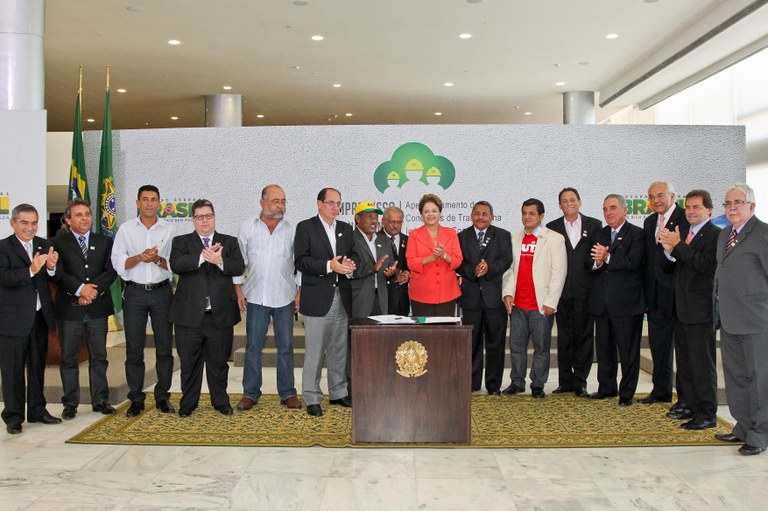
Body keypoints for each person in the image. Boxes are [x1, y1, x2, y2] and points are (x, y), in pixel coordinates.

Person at [169, 199, 244, 417]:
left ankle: (220, 401)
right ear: (193, 219)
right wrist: (203, 256)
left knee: (219, 364)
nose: (204, 221)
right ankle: (188, 403)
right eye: (200, 217)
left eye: (208, 216)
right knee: (189, 364)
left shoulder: (228, 242)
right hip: (189, 317)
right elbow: (177, 265)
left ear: (214, 217)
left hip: (219, 316)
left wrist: (220, 261)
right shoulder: (181, 242)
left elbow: (238, 266)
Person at [713, 183, 768, 455]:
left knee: (759, 381)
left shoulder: (764, 234)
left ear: (752, 206)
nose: (732, 208)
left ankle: (760, 435)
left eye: (738, 202)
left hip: (757, 322)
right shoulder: (724, 234)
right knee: (736, 378)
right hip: (730, 320)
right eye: (727, 203)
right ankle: (743, 427)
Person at [234, 184, 301, 411]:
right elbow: (237, 261)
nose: (280, 206)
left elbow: (299, 263)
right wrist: (238, 290)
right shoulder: (247, 227)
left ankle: (288, 393)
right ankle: (250, 393)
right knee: (253, 347)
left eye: (283, 201)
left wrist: (299, 291)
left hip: (285, 296)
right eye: (275, 201)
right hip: (255, 296)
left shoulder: (292, 229)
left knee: (286, 347)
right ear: (262, 202)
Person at [111, 185, 175, 417]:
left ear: (159, 203)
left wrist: (157, 259)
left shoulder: (169, 229)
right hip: (135, 293)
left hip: (162, 293)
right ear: (137, 202)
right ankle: (136, 398)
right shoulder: (126, 229)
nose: (149, 204)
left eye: (154, 199)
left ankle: (162, 396)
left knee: (165, 347)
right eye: (145, 199)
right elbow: (117, 262)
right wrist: (139, 257)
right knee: (134, 349)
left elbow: (174, 264)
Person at [51, 199, 118, 419]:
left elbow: (111, 271)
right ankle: (70, 403)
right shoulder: (58, 244)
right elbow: (58, 273)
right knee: (69, 358)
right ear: (68, 220)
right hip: (69, 310)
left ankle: (100, 400)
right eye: (78, 215)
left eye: (87, 214)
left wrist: (92, 291)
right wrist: (80, 289)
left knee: (99, 356)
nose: (85, 218)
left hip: (97, 309)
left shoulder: (105, 241)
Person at [658, 189, 720, 430]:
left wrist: (678, 247)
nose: (691, 212)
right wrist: (668, 250)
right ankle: (691, 406)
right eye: (689, 207)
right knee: (685, 363)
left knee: (702, 364)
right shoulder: (683, 234)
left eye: (697, 207)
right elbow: (669, 267)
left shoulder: (715, 235)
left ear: (710, 210)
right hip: (681, 309)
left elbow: (706, 266)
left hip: (700, 310)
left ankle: (706, 413)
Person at [294, 188, 356, 417]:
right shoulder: (305, 227)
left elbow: (354, 255)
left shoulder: (345, 229)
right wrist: (329, 266)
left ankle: (338, 392)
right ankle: (311, 396)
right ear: (319, 204)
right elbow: (301, 261)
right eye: (330, 203)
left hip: (343, 297)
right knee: (315, 352)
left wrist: (349, 265)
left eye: (338, 203)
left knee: (339, 350)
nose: (335, 208)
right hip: (318, 298)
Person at [0, 203, 61, 434]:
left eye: (34, 222)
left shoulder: (45, 245)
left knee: (37, 368)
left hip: (39, 317)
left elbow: (53, 277)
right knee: (12, 370)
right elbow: (4, 277)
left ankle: (37, 410)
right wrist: (31, 270)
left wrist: (52, 268)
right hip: (13, 320)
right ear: (13, 223)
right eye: (24, 222)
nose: (30, 227)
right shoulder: (3, 247)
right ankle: (13, 417)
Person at [501, 198, 566, 398]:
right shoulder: (514, 238)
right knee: (516, 347)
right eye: (524, 213)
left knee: (541, 347)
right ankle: (517, 382)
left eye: (531, 213)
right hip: (519, 304)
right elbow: (510, 270)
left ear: (541, 216)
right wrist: (508, 293)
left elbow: (559, 272)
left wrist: (551, 302)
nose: (527, 217)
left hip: (541, 305)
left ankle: (538, 384)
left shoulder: (555, 239)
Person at [588, 194, 646, 406]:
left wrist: (608, 257)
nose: (608, 213)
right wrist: (597, 262)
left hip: (627, 304)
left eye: (613, 208)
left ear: (624, 210)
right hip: (602, 302)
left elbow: (633, 262)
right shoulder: (600, 233)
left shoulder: (637, 234)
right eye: (605, 209)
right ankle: (606, 388)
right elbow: (591, 264)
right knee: (604, 349)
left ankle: (627, 393)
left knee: (628, 351)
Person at [546, 188, 602, 397]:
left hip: (585, 291)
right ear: (559, 205)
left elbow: (595, 256)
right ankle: (565, 381)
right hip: (561, 292)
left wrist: (596, 263)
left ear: (580, 202)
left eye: (572, 200)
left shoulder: (594, 225)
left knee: (584, 337)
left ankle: (581, 381)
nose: (568, 203)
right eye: (564, 201)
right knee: (564, 337)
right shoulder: (552, 227)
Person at [640, 180, 689, 408]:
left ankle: (685, 398)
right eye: (651, 197)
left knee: (683, 350)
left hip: (679, 295)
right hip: (655, 296)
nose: (656, 200)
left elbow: (685, 255)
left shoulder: (684, 217)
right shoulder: (649, 222)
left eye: (661, 195)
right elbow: (650, 260)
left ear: (672, 196)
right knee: (658, 346)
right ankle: (660, 391)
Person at [457, 201, 513, 395]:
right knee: (471, 343)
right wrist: (473, 271)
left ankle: (493, 385)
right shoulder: (461, 236)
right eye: (477, 213)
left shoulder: (503, 235)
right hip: (470, 298)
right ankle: (472, 383)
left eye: (485, 214)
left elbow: (506, 260)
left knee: (495, 343)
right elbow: (458, 263)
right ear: (471, 215)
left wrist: (489, 268)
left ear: (492, 216)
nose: (480, 217)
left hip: (494, 298)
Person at [406, 194, 463, 316]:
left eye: (434, 211)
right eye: (426, 211)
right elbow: (411, 263)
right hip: (421, 293)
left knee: (444, 332)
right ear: (421, 214)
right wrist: (431, 258)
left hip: (447, 292)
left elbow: (458, 260)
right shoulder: (414, 235)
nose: (430, 214)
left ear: (440, 213)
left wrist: (443, 256)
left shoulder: (451, 233)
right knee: (423, 334)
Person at [351, 201, 397, 317]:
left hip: (381, 300)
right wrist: (373, 268)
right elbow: (351, 270)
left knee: (380, 335)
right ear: (358, 218)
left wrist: (391, 273)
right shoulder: (350, 239)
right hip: (359, 300)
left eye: (376, 217)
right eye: (370, 216)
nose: (374, 220)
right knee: (359, 335)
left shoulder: (384, 240)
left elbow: (390, 267)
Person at [380, 206, 410, 316]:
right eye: (392, 222)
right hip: (383, 299)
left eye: (399, 222)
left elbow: (410, 265)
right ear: (383, 221)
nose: (396, 225)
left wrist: (407, 273)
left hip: (403, 299)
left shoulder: (408, 240)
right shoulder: (375, 239)